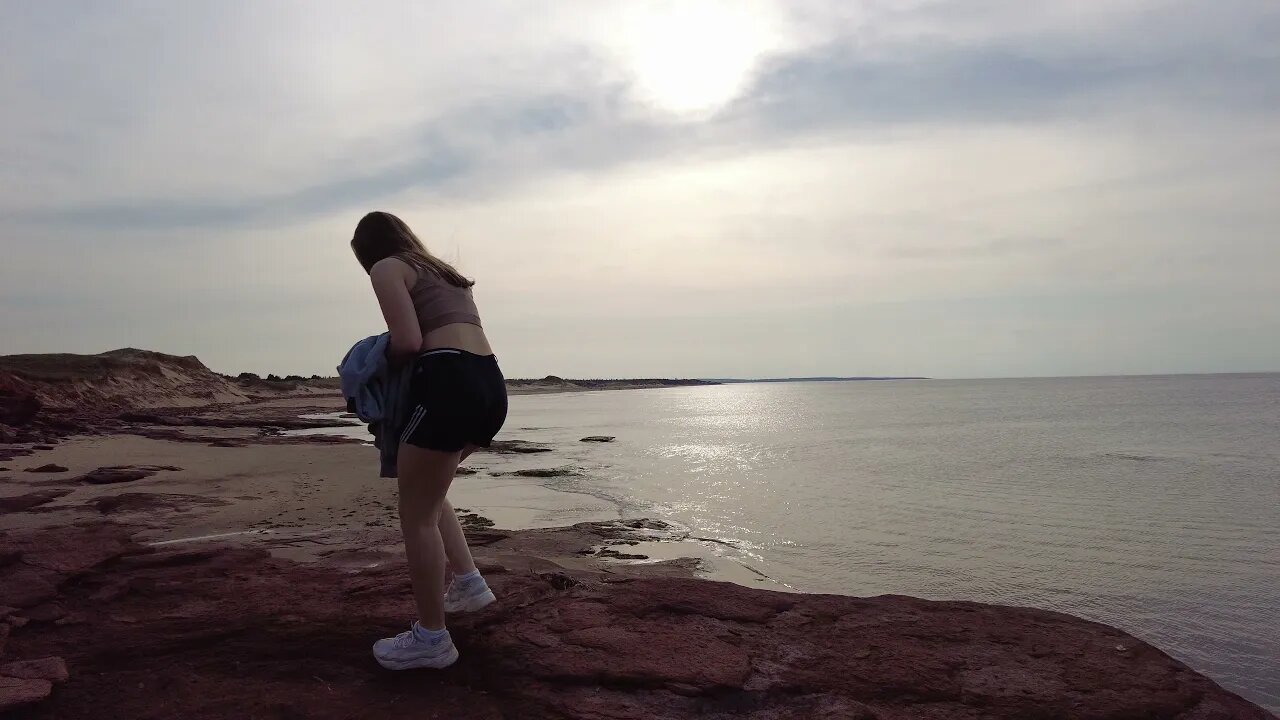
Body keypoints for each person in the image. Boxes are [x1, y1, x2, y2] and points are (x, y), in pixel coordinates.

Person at [350, 211, 507, 670]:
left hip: (448, 381)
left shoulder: (386, 267)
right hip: (489, 384)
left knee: (414, 514)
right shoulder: (445, 273)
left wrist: (372, 364)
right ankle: (469, 583)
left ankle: (433, 639)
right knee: (430, 492)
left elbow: (408, 340)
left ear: (367, 250)